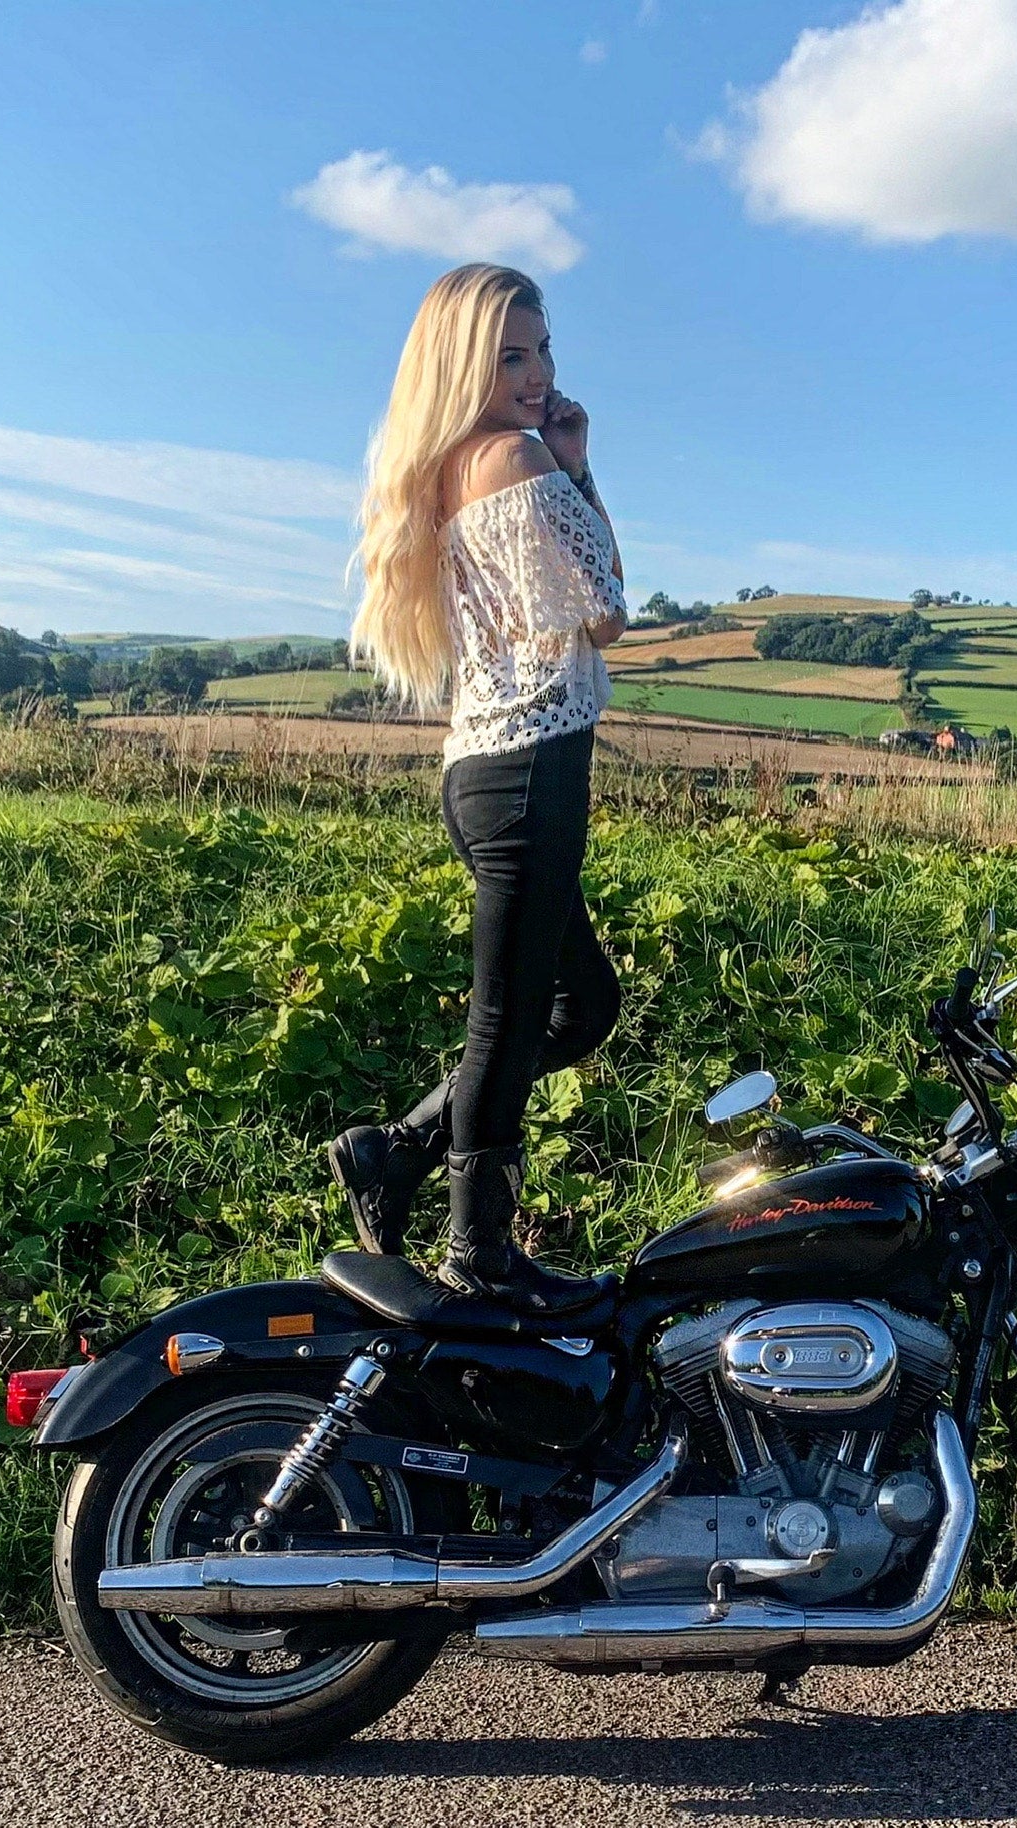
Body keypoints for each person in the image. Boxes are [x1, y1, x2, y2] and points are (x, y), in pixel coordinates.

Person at [329, 263, 627, 1316]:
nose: (539, 373)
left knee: (581, 1002)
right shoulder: (514, 456)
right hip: (532, 768)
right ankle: (479, 1258)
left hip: (484, 771)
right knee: (510, 1018)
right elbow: (605, 609)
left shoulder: (456, 463)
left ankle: (400, 1151)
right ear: (465, 362)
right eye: (511, 355)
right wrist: (581, 474)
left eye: (544, 350)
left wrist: (570, 461)